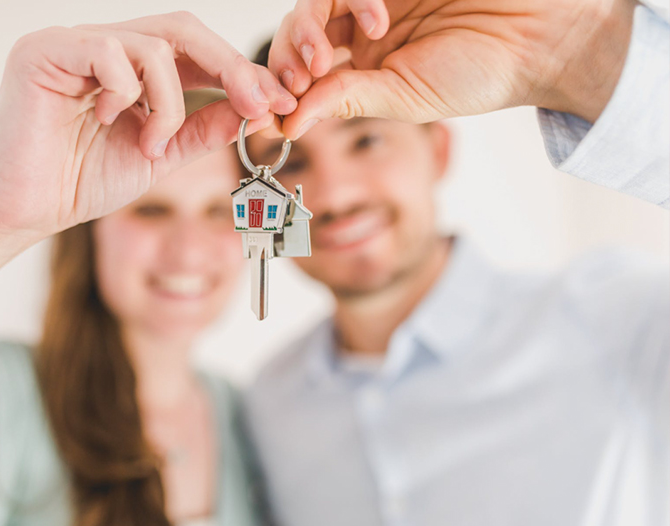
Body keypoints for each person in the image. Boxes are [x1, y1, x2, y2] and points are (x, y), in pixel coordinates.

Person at [0, 13, 298, 526]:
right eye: (152, 211)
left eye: (219, 212)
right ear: (91, 233)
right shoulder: (1, 394)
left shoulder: (244, 415)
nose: (189, 249)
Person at [242, 0, 669, 524]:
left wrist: (580, 52)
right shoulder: (266, 404)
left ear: (438, 151)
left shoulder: (617, 316)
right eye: (292, 162)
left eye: (367, 139)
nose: (332, 197)